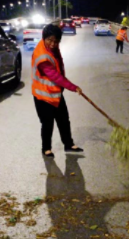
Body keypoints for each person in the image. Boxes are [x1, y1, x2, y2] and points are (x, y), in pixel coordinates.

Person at [32, 24, 84, 158]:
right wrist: (73, 87)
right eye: (50, 40)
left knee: (64, 120)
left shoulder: (52, 48)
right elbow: (55, 76)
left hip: (55, 93)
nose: (53, 44)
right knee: (47, 123)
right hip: (43, 96)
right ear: (44, 38)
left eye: (56, 41)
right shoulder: (42, 55)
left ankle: (68, 144)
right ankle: (46, 149)